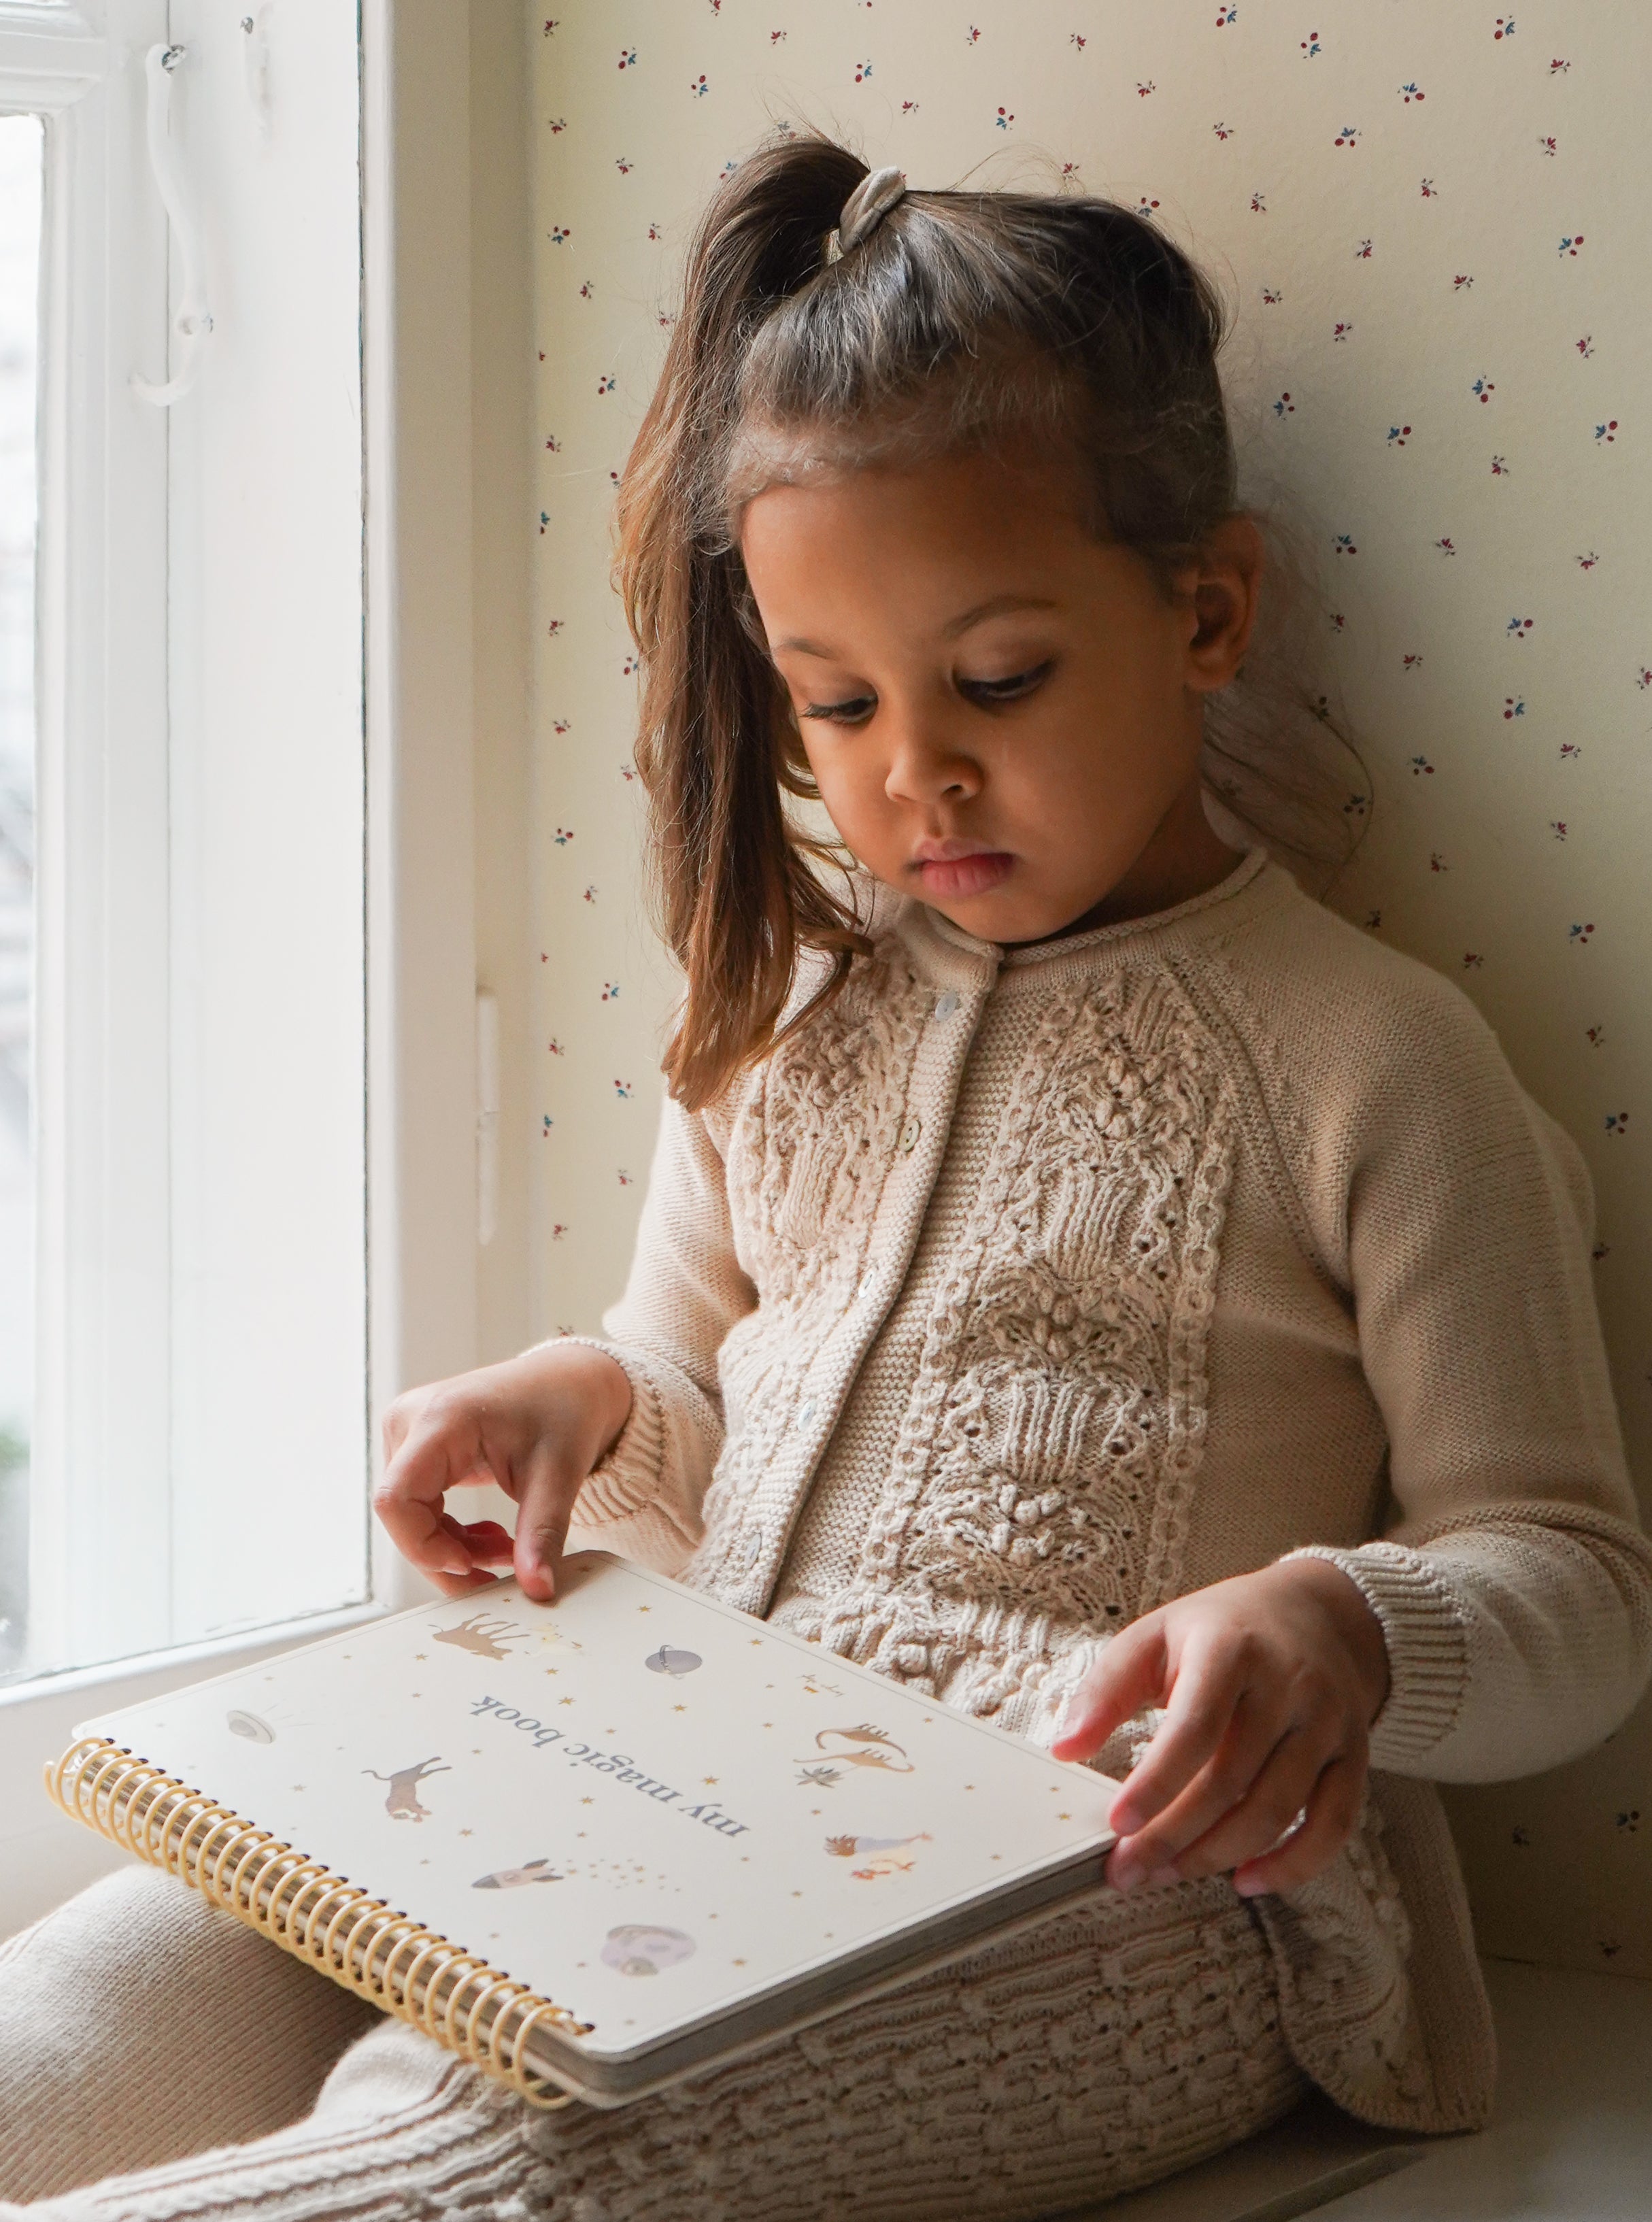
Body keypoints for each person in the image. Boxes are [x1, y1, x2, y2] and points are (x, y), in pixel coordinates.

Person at [3, 137, 1649, 2222]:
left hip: (1114, 1883)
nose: (912, 774)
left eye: (1000, 679)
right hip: (664, 1766)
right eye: (839, 702)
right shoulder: (792, 1023)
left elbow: (1579, 1578)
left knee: (498, 2157)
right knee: (103, 1992)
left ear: (1210, 607)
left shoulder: (1377, 1059)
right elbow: (691, 1382)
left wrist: (1343, 1620)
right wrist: (579, 1401)